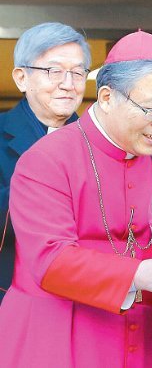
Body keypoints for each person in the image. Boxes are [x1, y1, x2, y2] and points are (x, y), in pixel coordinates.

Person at [0, 30, 152, 368]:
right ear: (108, 97)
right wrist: (140, 274)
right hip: (56, 338)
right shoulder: (46, 160)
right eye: (151, 108)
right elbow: (49, 260)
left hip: (141, 340)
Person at [0, 22, 90, 302]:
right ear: (21, 78)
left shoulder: (98, 141)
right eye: (53, 71)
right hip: (12, 296)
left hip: (85, 297)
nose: (68, 84)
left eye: (77, 72)